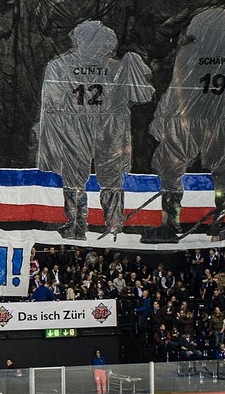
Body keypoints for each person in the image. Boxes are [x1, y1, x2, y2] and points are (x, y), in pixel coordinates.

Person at [34, 20, 153, 239]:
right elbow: (143, 96)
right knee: (110, 179)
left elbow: (52, 102)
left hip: (76, 126)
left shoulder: (60, 65)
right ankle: (114, 225)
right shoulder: (118, 66)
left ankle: (77, 226)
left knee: (75, 178)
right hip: (109, 127)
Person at [143, 6, 225, 244]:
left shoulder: (188, 53)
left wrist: (161, 119)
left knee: (172, 170)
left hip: (190, 120)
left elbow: (176, 90)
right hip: (224, 123)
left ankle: (171, 226)